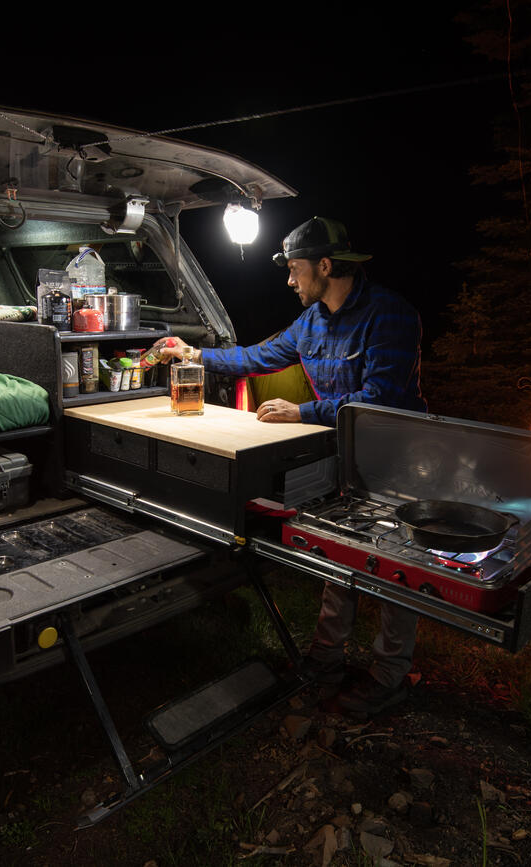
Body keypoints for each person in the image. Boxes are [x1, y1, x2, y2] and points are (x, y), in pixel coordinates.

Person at [155, 216, 426, 716]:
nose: (288, 280)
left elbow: (379, 400)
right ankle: (326, 658)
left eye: (295, 269)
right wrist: (194, 352)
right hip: (342, 453)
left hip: (397, 455)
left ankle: (390, 675)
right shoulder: (311, 321)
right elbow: (258, 357)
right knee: (338, 553)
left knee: (393, 566)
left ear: (325, 266)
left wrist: (302, 412)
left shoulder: (391, 315)